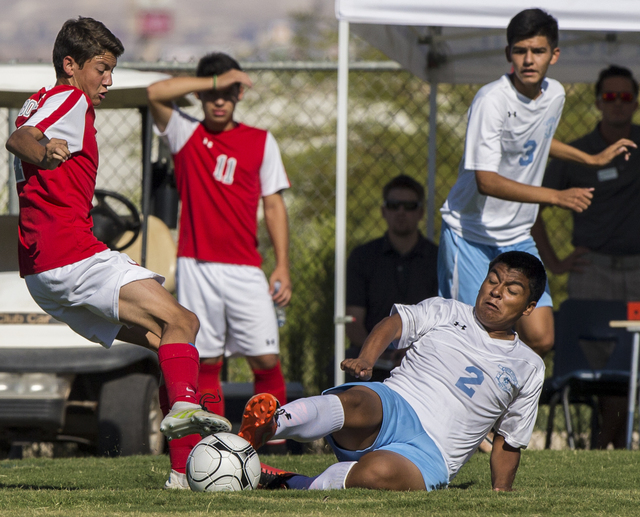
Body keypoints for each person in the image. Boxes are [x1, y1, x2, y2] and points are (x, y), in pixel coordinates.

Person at [4, 16, 231, 488]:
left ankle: (183, 474)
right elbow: (18, 139)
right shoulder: (68, 99)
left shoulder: (42, 100)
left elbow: (25, 130)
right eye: (101, 69)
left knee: (164, 340)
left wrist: (41, 148)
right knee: (184, 322)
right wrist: (42, 152)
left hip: (43, 275)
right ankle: (190, 415)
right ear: (71, 65)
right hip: (72, 257)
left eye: (111, 71)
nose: (107, 81)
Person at [238, 251, 547, 491]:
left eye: (512, 289)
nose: (496, 292)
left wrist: (501, 491)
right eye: (493, 280)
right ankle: (270, 425)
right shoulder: (448, 311)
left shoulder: (529, 366)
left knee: (377, 472)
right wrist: (367, 359)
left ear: (528, 307)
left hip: (431, 455)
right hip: (394, 406)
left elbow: (509, 439)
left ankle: (290, 482)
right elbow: (394, 324)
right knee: (357, 399)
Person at [437, 8, 636, 358]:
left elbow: (534, 139)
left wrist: (591, 159)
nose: (529, 59)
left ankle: (501, 394)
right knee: (467, 342)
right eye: (520, 50)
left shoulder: (555, 95)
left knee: (542, 337)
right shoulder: (491, 100)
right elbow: (486, 181)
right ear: (508, 54)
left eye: (539, 51)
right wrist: (556, 196)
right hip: (469, 235)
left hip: (515, 235)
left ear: (554, 55)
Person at [146, 53, 292, 485]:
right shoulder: (185, 132)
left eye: (229, 92)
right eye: (211, 93)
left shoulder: (261, 141)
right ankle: (203, 458)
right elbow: (154, 93)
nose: (219, 101)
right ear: (200, 93)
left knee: (266, 360)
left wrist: (282, 262)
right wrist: (212, 78)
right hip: (197, 267)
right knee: (204, 361)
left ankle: (267, 453)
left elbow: (273, 204)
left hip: (246, 269)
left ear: (239, 95)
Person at [532, 65, 640, 449]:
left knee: (629, 361)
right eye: (610, 97)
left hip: (637, 272)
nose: (617, 104)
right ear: (597, 102)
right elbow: (534, 210)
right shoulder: (577, 153)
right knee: (597, 363)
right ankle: (605, 444)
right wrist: (555, 263)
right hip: (591, 270)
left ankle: (608, 443)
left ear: (635, 100)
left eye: (625, 96)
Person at [345, 174, 438, 380]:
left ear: (421, 212)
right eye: (394, 205)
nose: (401, 212)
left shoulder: (438, 258)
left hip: (426, 361)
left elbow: (445, 318)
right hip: (371, 361)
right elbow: (353, 322)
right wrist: (379, 353)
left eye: (410, 206)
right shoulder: (362, 257)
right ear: (383, 211)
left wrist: (411, 352)